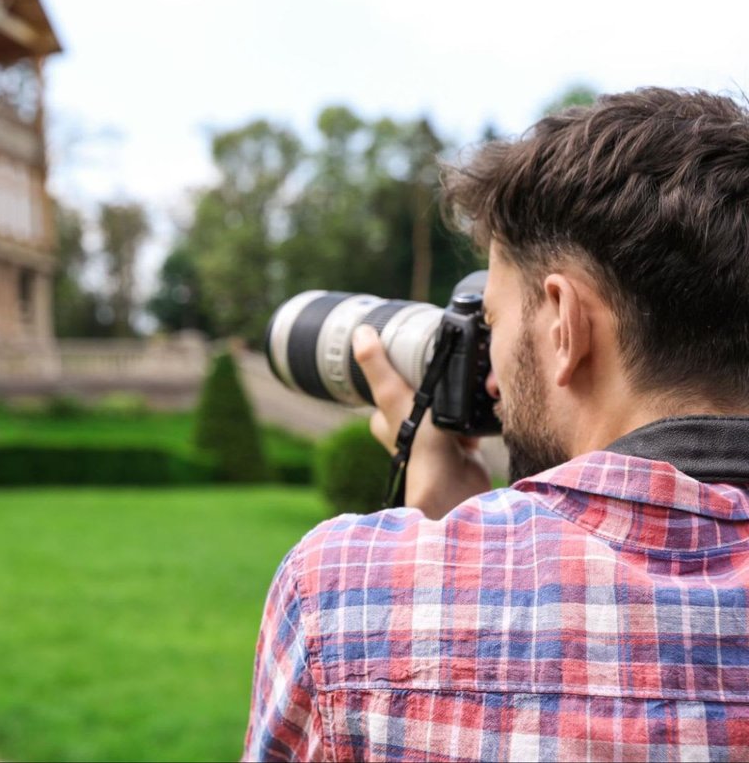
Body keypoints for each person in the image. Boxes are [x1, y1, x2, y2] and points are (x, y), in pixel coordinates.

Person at [243, 88, 749, 761]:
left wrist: (441, 553)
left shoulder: (342, 596)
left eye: (494, 322)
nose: (490, 380)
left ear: (564, 323)